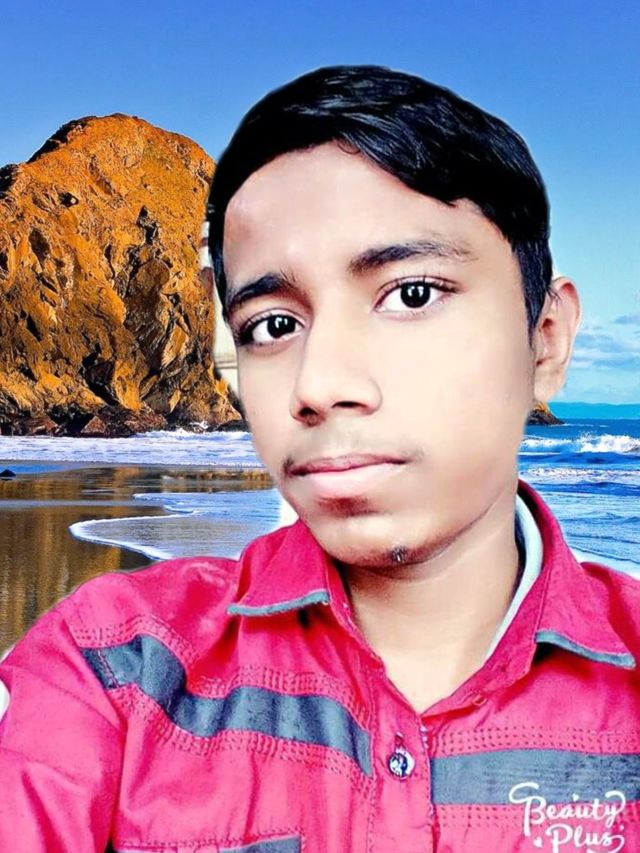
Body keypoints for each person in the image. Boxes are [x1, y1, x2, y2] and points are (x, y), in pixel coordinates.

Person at [0, 64, 638, 853]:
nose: (318, 384)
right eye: (273, 326)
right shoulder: (112, 667)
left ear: (546, 341)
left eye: (410, 294)